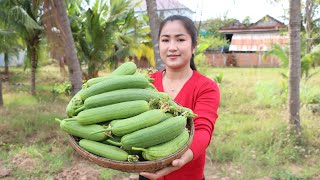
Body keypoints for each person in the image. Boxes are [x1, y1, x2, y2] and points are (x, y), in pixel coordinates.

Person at [139, 15, 220, 180]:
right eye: (165, 40)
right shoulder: (145, 83)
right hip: (147, 174)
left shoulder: (206, 87)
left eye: (180, 40)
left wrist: (185, 156)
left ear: (194, 46)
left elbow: (203, 129)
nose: (172, 47)